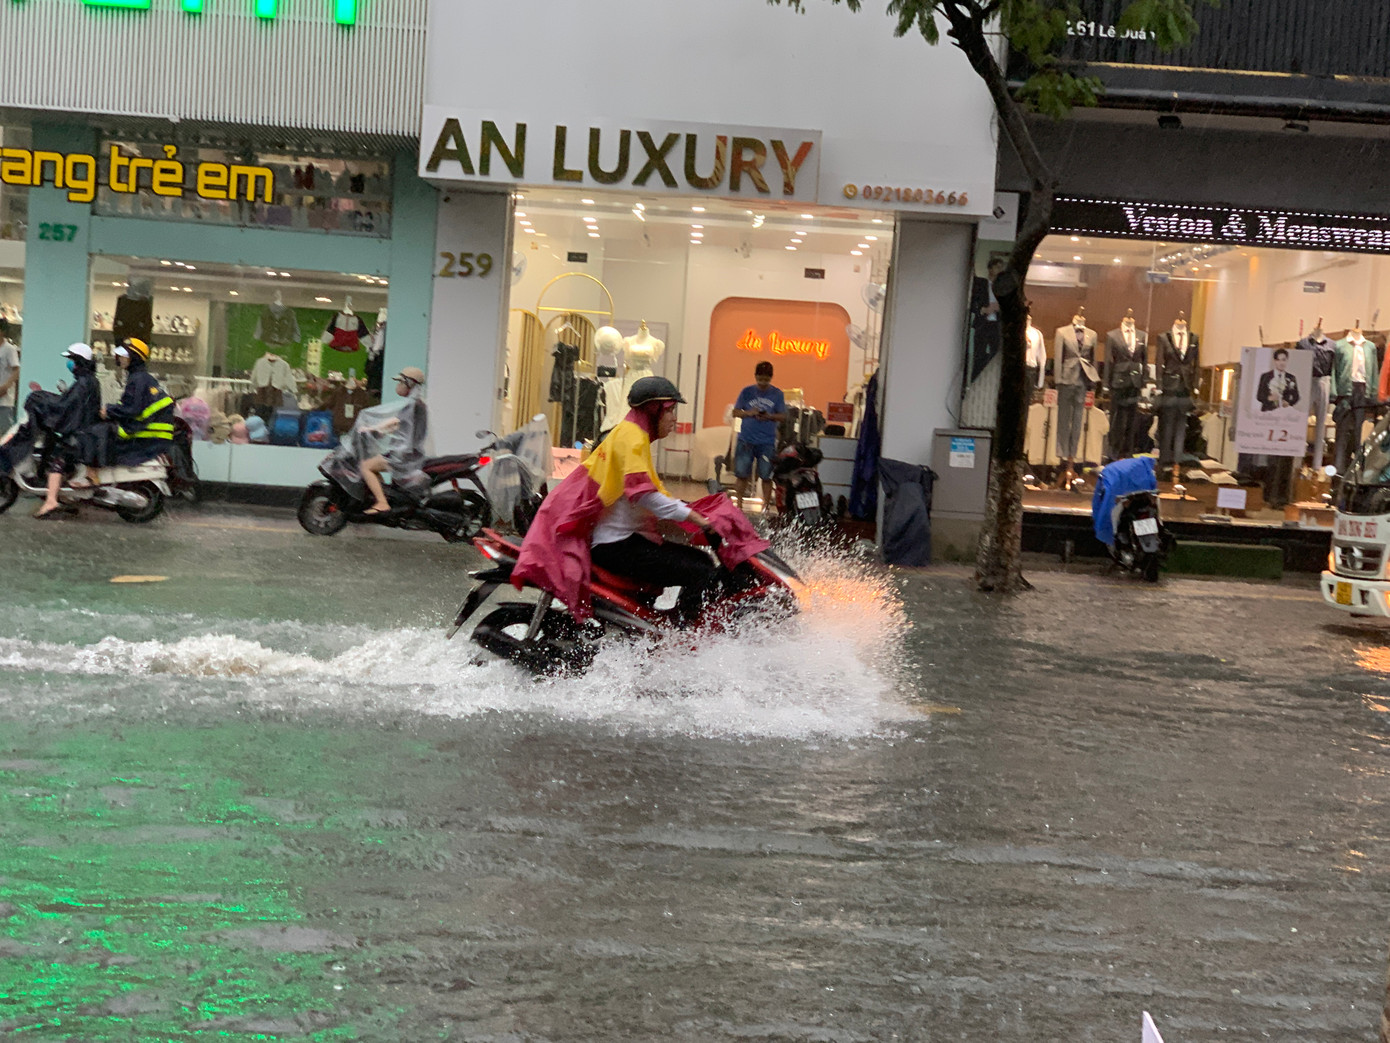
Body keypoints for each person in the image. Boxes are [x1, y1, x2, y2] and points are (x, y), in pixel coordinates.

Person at [513, 376, 724, 623]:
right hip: (617, 546)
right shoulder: (632, 438)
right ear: (653, 410)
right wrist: (698, 519)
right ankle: (687, 636)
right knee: (701, 569)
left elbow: (641, 493)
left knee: (700, 559)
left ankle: (660, 628)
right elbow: (644, 495)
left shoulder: (631, 434)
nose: (674, 418)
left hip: (623, 540)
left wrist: (688, 514)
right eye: (670, 411)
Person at [0, 343, 102, 519]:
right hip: (85, 432)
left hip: (81, 436)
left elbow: (66, 408)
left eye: (71, 359)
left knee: (58, 461)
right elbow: (68, 404)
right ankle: (63, 496)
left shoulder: (84, 383)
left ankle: (51, 501)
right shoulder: (86, 381)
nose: (69, 363)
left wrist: (42, 402)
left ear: (78, 361)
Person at [360, 366, 427, 515]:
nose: (398, 386)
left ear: (409, 384)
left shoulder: (412, 404)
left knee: (366, 466)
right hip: (408, 452)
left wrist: (372, 428)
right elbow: (400, 426)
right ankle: (386, 497)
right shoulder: (416, 403)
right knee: (373, 466)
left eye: (401, 382)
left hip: (404, 455)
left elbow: (394, 422)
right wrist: (380, 431)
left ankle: (382, 503)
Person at [103, 338, 175, 466]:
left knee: (98, 436)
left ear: (134, 358)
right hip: (157, 440)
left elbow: (133, 409)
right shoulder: (142, 377)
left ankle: (92, 476)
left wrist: (108, 410)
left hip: (147, 440)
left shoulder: (138, 379)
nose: (120, 358)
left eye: (124, 356)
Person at [731, 361, 787, 512]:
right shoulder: (746, 392)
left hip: (767, 441)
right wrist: (750, 413)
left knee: (767, 476)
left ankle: (766, 507)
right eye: (760, 379)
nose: (762, 383)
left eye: (766, 380)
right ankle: (739, 504)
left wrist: (769, 416)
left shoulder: (777, 394)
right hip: (746, 440)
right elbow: (735, 412)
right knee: (742, 474)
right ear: (755, 376)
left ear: (771, 378)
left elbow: (783, 416)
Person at [1257, 348, 1301, 412]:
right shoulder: (1265, 376)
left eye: (1283, 360)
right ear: (1274, 361)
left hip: (1285, 412)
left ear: (1287, 361)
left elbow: (1296, 396)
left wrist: (1288, 403)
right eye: (1278, 360)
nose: (1281, 363)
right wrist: (1269, 398)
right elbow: (1259, 396)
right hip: (1267, 412)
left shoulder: (1291, 378)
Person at [0, 317, 20, 433]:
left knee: (4, 431)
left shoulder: (9, 349)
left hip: (4, 400)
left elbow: (16, 369)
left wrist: (6, 386)